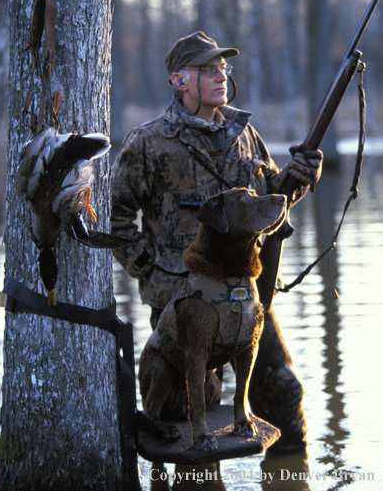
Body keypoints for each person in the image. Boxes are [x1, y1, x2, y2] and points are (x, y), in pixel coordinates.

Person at [111, 31, 323, 452]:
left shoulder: (245, 135)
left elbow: (266, 203)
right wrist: (155, 273)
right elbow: (116, 220)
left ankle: (289, 476)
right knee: (188, 424)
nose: (220, 75)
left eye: (222, 67)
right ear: (179, 81)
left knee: (284, 392)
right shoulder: (149, 143)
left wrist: (297, 180)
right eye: (207, 69)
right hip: (184, 303)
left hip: (248, 297)